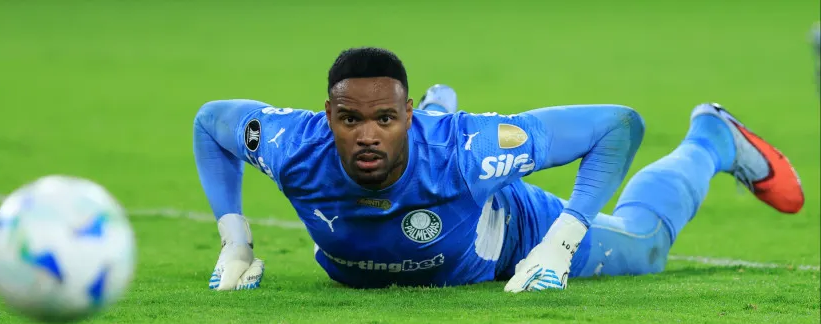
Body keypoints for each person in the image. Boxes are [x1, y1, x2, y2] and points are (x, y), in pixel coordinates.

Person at [193, 47, 804, 292]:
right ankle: (440, 103)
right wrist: (234, 242)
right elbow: (208, 122)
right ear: (327, 115)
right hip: (429, 172)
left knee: (646, 246)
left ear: (405, 115)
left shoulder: (467, 150)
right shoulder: (288, 143)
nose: (367, 135)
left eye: (386, 118)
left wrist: (559, 245)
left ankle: (711, 140)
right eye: (350, 119)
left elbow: (619, 125)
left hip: (515, 234)